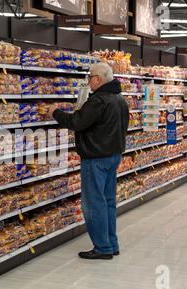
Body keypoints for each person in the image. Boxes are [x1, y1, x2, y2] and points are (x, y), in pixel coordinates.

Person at [47, 63, 129, 260]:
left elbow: (76, 122)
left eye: (90, 77)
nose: (88, 81)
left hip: (96, 159)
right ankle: (111, 244)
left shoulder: (98, 101)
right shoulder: (120, 99)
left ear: (98, 79)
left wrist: (55, 113)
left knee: (93, 204)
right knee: (108, 201)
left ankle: (102, 247)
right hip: (113, 156)